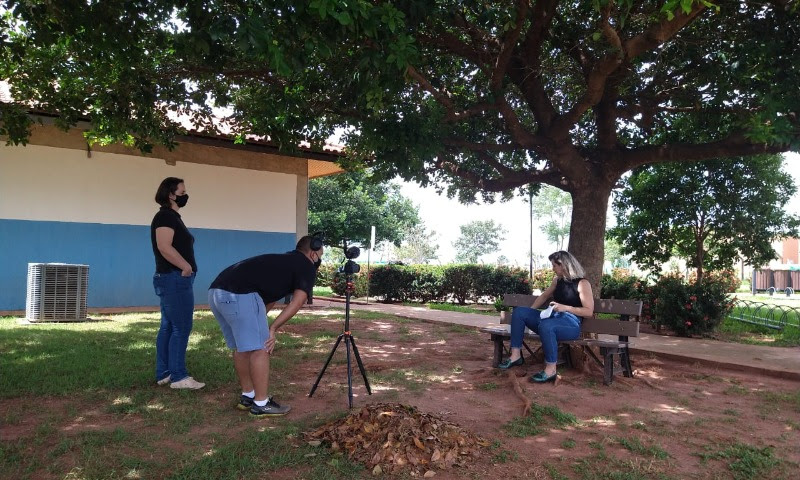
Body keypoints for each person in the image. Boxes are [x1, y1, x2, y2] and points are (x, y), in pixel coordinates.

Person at [207, 236, 323, 417]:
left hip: (217, 292)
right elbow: (298, 301)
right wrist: (273, 328)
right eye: (320, 255)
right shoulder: (306, 265)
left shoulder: (283, 262)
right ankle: (261, 403)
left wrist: (260, 322)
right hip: (240, 294)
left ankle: (248, 396)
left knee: (242, 346)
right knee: (261, 348)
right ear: (313, 253)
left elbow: (267, 299)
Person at [498, 250, 594, 383]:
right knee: (520, 312)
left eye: (554, 265)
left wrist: (566, 308)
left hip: (571, 324)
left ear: (564, 265)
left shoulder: (583, 283)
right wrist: (529, 314)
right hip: (551, 318)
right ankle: (515, 356)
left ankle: (550, 370)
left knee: (546, 325)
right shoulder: (557, 281)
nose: (552, 268)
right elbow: (544, 296)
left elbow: (589, 312)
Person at [151, 177, 205, 390]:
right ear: (171, 194)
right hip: (174, 278)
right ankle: (179, 376)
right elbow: (164, 246)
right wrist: (185, 267)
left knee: (169, 326)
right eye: (182, 191)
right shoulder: (165, 216)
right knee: (181, 327)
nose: (185, 195)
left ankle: (165, 373)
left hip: (171, 278)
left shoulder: (171, 216)